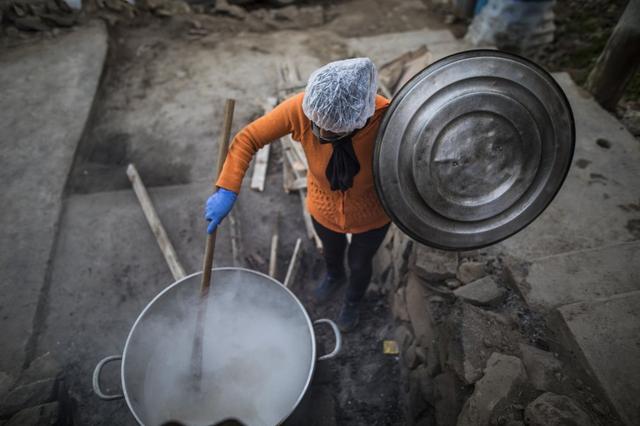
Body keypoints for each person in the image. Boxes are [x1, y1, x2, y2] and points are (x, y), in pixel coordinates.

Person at [204, 57, 391, 332]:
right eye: (317, 125)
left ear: (359, 119)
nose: (320, 132)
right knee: (331, 250)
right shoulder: (304, 108)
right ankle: (334, 275)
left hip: (372, 211)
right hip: (322, 206)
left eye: (332, 133)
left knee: (361, 262)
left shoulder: (386, 118)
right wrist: (228, 188)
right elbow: (249, 138)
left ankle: (353, 300)